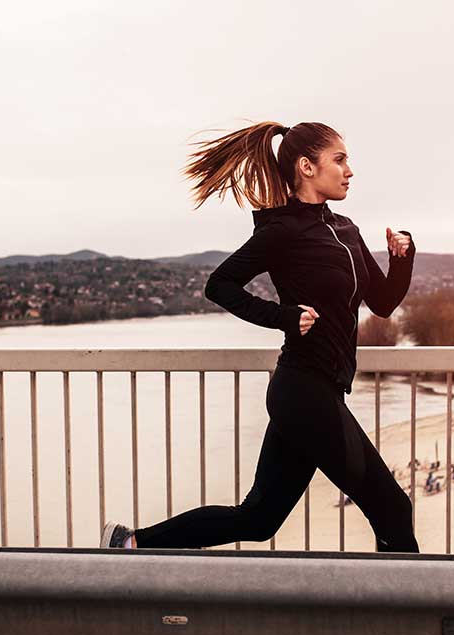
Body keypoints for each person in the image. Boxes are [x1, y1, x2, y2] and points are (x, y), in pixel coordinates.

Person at [100, 120, 419, 553]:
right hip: (304, 392)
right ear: (307, 167)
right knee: (393, 510)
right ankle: (406, 617)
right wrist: (282, 316)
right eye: (339, 160)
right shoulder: (283, 231)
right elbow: (221, 284)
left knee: (258, 518)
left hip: (318, 393)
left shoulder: (345, 228)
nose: (349, 170)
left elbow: (381, 302)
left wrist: (403, 259)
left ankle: (131, 542)